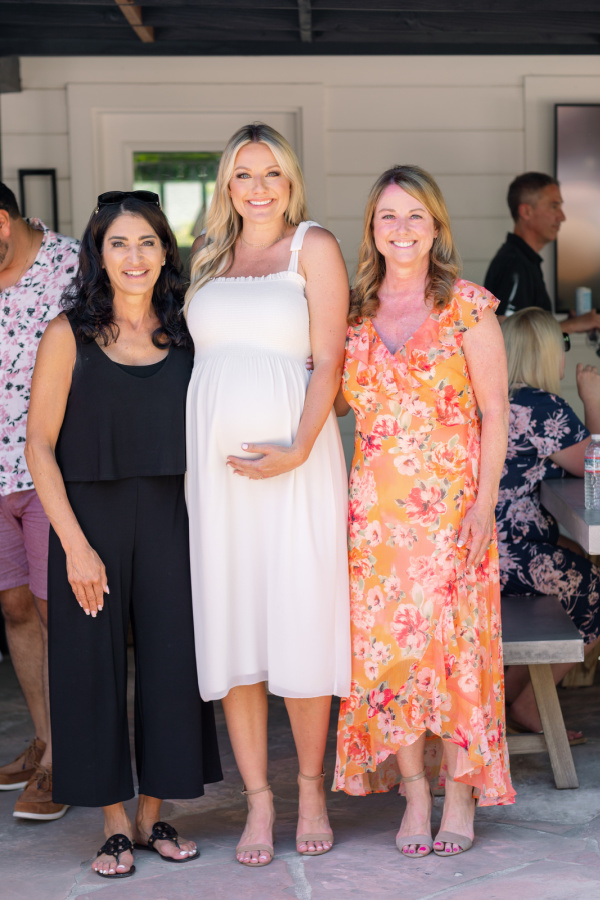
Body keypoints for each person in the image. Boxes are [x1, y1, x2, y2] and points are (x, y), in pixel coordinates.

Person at [25, 191, 222, 878]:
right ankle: (112, 823)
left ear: (165, 251)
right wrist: (76, 546)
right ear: (98, 254)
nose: (133, 257)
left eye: (146, 243)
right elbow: (38, 447)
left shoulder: (188, 335)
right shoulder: (66, 334)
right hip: (90, 521)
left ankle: (153, 816)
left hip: (175, 516)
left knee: (173, 665)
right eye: (118, 244)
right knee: (90, 670)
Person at [334, 164, 515, 860]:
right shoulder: (351, 314)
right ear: (372, 230)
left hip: (453, 512)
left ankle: (462, 792)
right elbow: (332, 399)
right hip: (376, 521)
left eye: (415, 216)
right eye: (388, 216)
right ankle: (414, 790)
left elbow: (496, 412)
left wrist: (485, 504)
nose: (401, 229)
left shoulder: (467, 305)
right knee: (390, 657)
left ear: (436, 226)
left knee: (455, 654)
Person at [185, 123, 350, 867]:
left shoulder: (312, 246)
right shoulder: (207, 256)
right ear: (227, 184)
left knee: (300, 618)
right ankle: (259, 801)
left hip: (298, 465)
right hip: (216, 478)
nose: (257, 187)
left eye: (271, 174)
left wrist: (300, 449)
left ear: (291, 182)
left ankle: (310, 788)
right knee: (236, 624)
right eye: (243, 174)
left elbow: (331, 362)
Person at [0, 182, 79, 820]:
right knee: (15, 606)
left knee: (60, 614)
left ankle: (67, 760)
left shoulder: (72, 267)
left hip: (52, 472)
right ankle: (46, 740)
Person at [497, 307, 600, 735]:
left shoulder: (495, 398)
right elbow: (592, 465)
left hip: (484, 550)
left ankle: (508, 698)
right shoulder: (542, 407)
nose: (563, 354)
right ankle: (518, 701)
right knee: (594, 594)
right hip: (511, 555)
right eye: (560, 344)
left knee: (576, 559)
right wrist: (592, 397)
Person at [484, 172, 600, 333]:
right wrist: (571, 325)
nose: (562, 217)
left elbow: (527, 330)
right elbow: (508, 335)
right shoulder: (514, 265)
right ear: (526, 212)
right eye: (554, 206)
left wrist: (569, 324)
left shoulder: (524, 261)